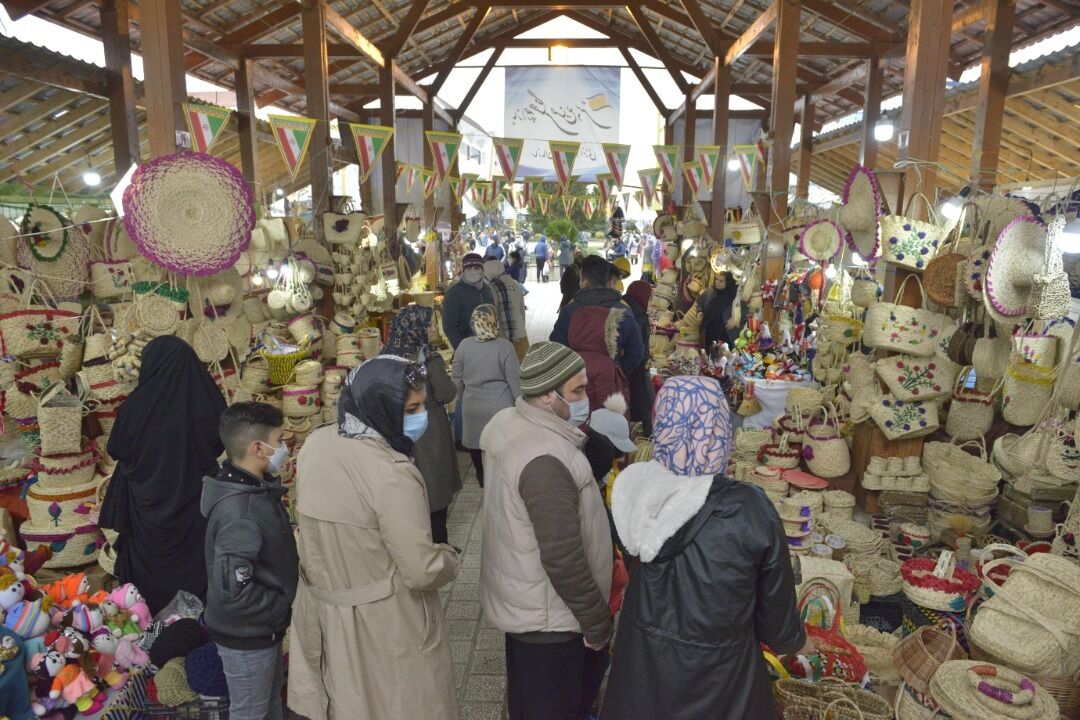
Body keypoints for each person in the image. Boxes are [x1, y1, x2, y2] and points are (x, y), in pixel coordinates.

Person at [601, 377, 809, 720]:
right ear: (720, 431)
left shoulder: (634, 495)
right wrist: (797, 641)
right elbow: (777, 622)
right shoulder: (749, 509)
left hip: (643, 673)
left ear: (663, 426)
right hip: (723, 684)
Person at [289, 356, 460, 720]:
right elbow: (420, 570)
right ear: (381, 406)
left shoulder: (316, 445)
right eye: (410, 408)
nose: (419, 416)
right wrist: (449, 557)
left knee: (347, 702)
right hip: (387, 621)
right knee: (401, 703)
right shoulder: (391, 472)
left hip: (325, 613)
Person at [479, 343, 613, 720]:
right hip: (551, 624)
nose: (586, 399)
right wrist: (596, 622)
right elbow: (562, 558)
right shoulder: (546, 459)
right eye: (578, 391)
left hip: (530, 606)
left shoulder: (512, 423)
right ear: (546, 396)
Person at [99, 335, 226, 614]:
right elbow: (220, 442)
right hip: (195, 508)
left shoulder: (133, 409)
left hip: (146, 512)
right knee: (197, 568)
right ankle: (195, 626)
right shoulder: (205, 401)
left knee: (150, 576)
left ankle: (151, 626)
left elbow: (117, 448)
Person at [202, 402, 298, 720]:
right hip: (247, 636)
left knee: (269, 707)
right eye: (280, 440)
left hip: (258, 631)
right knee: (251, 713)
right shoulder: (240, 512)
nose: (284, 448)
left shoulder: (250, 490)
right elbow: (235, 590)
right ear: (259, 448)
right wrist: (280, 605)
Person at [382, 305, 461, 545]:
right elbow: (447, 393)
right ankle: (439, 549)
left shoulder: (386, 357)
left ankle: (417, 547)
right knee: (434, 495)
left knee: (410, 494)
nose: (433, 328)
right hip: (430, 434)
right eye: (428, 325)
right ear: (416, 329)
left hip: (396, 435)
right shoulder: (428, 358)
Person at [452, 305, 521, 488]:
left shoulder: (464, 346)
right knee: (500, 445)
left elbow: (456, 377)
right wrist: (520, 403)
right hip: (499, 408)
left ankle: (482, 477)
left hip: (472, 406)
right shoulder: (505, 347)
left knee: (476, 444)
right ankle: (501, 479)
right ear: (494, 321)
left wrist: (461, 397)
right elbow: (514, 379)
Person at [551, 255, 645, 378]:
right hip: (611, 387)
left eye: (580, 279)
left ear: (585, 282)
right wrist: (618, 372)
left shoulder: (570, 310)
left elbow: (556, 347)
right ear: (608, 281)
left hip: (575, 385)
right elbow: (636, 353)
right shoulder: (623, 310)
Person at [622, 280, 655, 436]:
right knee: (646, 404)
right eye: (650, 297)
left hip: (629, 366)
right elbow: (638, 349)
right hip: (636, 369)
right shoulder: (637, 316)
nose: (651, 301)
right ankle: (647, 440)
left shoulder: (626, 307)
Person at [442, 252, 495, 349]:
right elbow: (450, 327)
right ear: (463, 270)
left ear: (482, 270)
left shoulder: (487, 290)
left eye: (476, 268)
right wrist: (464, 349)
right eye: (469, 268)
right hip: (468, 348)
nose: (473, 271)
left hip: (489, 346)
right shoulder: (454, 293)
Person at [484, 259, 529, 362]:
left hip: (503, 339)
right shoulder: (517, 284)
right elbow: (522, 311)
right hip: (521, 336)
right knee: (523, 370)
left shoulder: (491, 288)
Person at [698, 271, 741, 353]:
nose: (717, 283)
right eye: (717, 280)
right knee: (710, 355)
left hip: (725, 333)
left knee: (723, 357)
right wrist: (700, 312)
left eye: (721, 281)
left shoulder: (734, 296)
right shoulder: (711, 292)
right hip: (710, 331)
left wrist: (734, 319)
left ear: (728, 283)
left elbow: (741, 310)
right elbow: (700, 303)